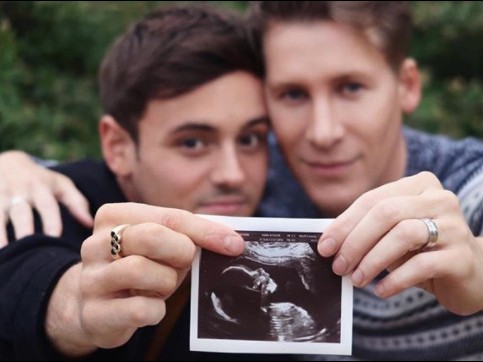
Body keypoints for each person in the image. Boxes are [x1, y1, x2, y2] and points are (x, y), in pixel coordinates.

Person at [3, 1, 483, 360]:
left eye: (350, 87)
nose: (323, 133)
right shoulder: (258, 178)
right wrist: (13, 167)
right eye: (292, 96)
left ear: (406, 85)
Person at [0, 4, 286, 360]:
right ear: (118, 146)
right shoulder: (43, 204)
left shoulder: (286, 208)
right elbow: (19, 271)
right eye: (193, 143)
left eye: (250, 139)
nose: (233, 174)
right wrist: (72, 309)